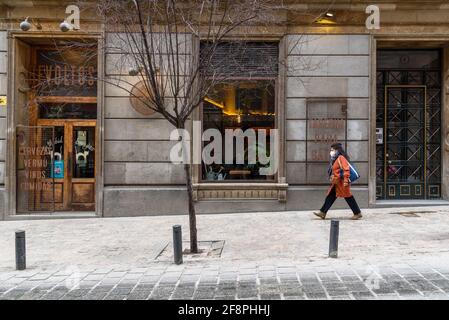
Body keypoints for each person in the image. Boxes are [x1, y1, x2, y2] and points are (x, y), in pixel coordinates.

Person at [313, 143, 362, 220]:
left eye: (332, 150)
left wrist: (346, 181)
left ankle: (357, 213)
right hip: (337, 182)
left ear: (337, 150)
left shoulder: (341, 158)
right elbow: (336, 170)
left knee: (348, 196)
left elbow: (346, 169)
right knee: (331, 196)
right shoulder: (335, 159)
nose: (331, 151)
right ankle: (323, 212)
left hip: (342, 182)